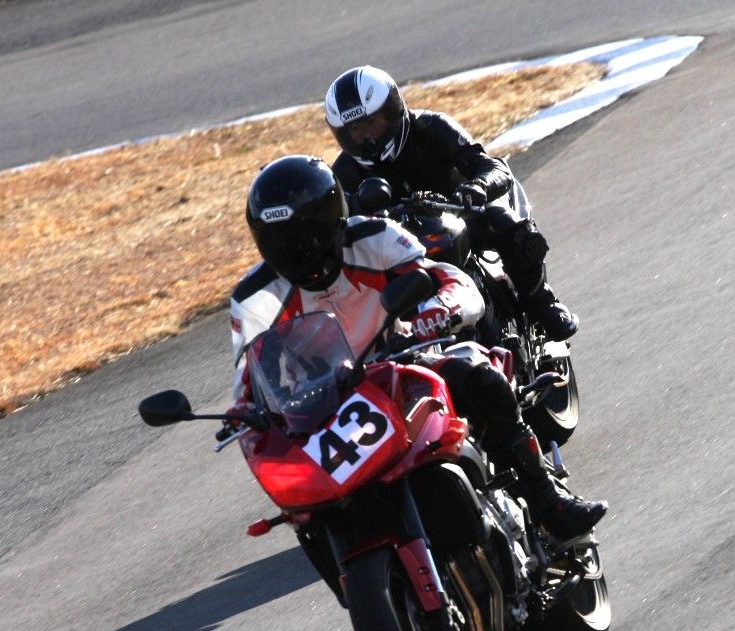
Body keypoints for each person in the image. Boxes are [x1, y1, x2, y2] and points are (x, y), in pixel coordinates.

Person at [230, 154, 606, 542]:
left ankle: (549, 501)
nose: (297, 250)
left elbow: (451, 280)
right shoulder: (253, 298)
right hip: (330, 407)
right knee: (305, 506)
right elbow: (247, 380)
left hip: (406, 366)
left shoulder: (374, 236)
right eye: (280, 241)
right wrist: (242, 414)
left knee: (481, 378)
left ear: (332, 219)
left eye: (305, 234)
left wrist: (435, 314)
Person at [323, 65, 579, 342]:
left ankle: (541, 301)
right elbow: (335, 222)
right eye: (356, 129)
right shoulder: (344, 172)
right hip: (396, 244)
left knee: (514, 230)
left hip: (462, 215)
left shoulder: (431, 127)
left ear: (392, 112)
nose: (367, 136)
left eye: (372, 123)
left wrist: (477, 187)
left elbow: (493, 167)